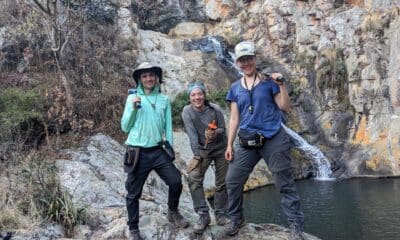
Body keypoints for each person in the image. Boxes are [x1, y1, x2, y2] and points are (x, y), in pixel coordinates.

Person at [224, 41, 305, 240]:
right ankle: (236, 219)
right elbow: (234, 118)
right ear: (237, 63)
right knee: (232, 181)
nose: (246, 63)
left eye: (249, 59)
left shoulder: (270, 82)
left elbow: (285, 107)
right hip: (247, 140)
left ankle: (295, 226)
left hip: (273, 138)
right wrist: (229, 144)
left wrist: (282, 85)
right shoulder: (235, 88)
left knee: (284, 182)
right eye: (242, 60)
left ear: (255, 58)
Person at [121, 62, 189, 240]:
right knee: (133, 192)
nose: (149, 78)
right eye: (144, 76)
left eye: (151, 75)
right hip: (137, 152)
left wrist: (171, 150)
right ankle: (133, 227)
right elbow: (125, 126)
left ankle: (172, 212)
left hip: (158, 150)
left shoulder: (164, 99)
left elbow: (168, 126)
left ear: (157, 77)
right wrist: (133, 110)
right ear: (139, 80)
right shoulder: (132, 98)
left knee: (175, 181)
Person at [181, 81, 229, 234]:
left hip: (221, 148)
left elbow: (223, 128)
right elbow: (192, 135)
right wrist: (196, 156)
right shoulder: (187, 111)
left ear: (204, 95)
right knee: (194, 178)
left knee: (222, 182)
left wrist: (215, 133)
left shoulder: (215, 109)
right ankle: (203, 215)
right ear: (189, 97)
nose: (197, 97)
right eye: (193, 95)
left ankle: (220, 214)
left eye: (199, 94)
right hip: (203, 150)